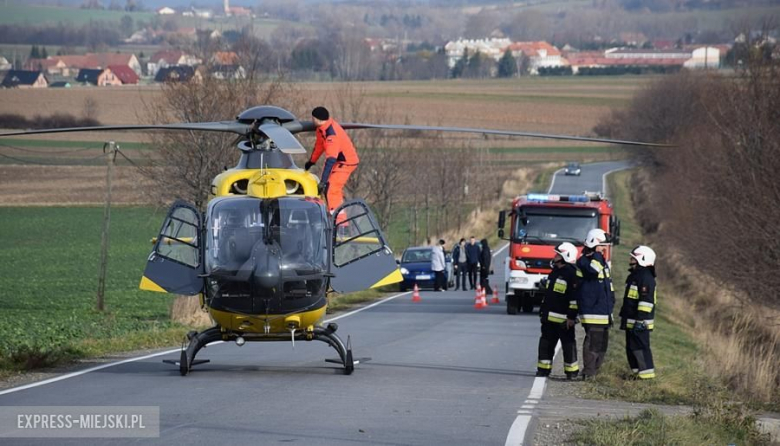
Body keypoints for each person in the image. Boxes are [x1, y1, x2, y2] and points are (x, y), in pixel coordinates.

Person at [304, 106, 359, 216]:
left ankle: (340, 222)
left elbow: (330, 160)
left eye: (313, 118)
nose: (312, 120)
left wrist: (323, 181)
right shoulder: (322, 129)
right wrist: (311, 161)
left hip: (346, 163)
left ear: (317, 119)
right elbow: (319, 146)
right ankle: (331, 215)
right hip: (339, 162)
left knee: (331, 189)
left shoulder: (331, 136)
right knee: (328, 189)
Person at [537, 242, 580, 379]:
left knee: (568, 345)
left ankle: (571, 372)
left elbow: (574, 299)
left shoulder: (572, 274)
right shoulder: (555, 272)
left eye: (557, 254)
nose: (554, 257)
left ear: (565, 256)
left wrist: (571, 318)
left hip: (564, 320)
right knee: (546, 344)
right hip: (549, 318)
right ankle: (543, 370)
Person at [576, 228, 614, 379]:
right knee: (593, 341)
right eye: (602, 245)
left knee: (602, 343)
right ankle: (589, 371)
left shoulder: (600, 261)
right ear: (594, 244)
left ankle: (595, 370)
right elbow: (593, 271)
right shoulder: (585, 262)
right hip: (593, 310)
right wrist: (597, 254)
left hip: (603, 310)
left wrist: (611, 302)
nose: (604, 248)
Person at [620, 245, 657, 380]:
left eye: (633, 258)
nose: (630, 260)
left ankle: (646, 376)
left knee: (641, 348)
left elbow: (646, 301)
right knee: (631, 348)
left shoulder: (645, 277)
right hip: (632, 320)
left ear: (642, 259)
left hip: (640, 321)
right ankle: (636, 373)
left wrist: (640, 320)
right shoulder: (635, 276)